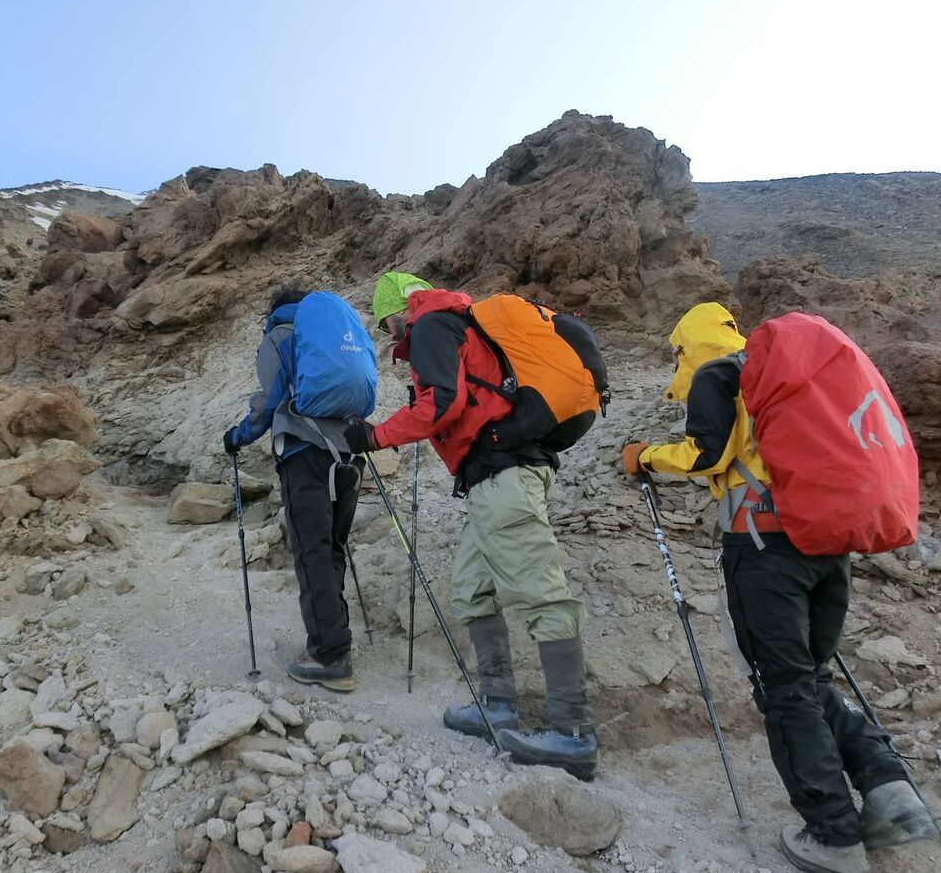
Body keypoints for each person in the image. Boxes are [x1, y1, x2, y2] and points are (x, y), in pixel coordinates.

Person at [621, 302, 935, 873]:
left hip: (765, 551)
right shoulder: (776, 377)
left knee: (784, 689)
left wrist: (643, 456)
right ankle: (892, 792)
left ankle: (834, 835)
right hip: (826, 546)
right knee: (809, 677)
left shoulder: (718, 374)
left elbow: (706, 452)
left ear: (688, 345)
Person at [345, 271, 598, 779]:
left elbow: (441, 404)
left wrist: (374, 438)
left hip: (505, 479)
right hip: (495, 480)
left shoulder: (433, 325)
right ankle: (497, 705)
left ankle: (573, 734)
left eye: (385, 324)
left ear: (400, 309)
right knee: (470, 587)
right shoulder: (457, 324)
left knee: (540, 593)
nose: (389, 335)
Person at [224, 287, 364, 692]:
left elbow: (268, 403)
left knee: (310, 550)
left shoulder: (281, 336)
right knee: (332, 547)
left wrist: (238, 436)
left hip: (307, 456)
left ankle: (329, 654)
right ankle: (335, 637)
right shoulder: (335, 337)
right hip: (351, 455)